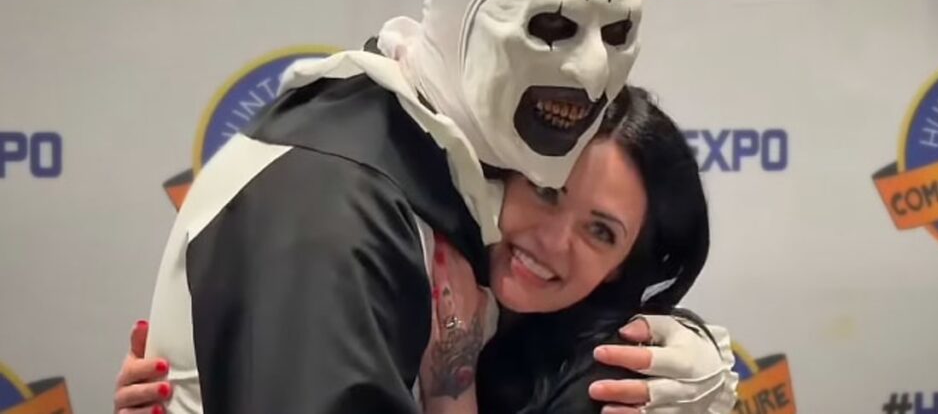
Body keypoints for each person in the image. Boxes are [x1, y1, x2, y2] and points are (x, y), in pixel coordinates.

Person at [141, 0, 736, 412]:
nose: (591, 69)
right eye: (554, 25)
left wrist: (688, 352)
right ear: (462, 14)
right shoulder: (338, 200)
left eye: (618, 31)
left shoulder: (444, 172)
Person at [117, 86, 738, 414]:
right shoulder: (405, 269)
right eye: (547, 192)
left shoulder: (622, 373)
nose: (553, 240)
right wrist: (204, 387)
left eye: (600, 232)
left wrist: (450, 389)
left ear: (620, 268)